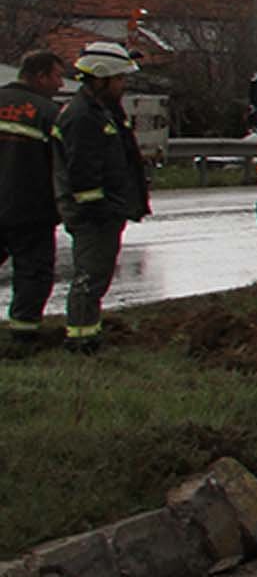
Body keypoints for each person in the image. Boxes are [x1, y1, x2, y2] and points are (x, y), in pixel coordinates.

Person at [53, 42, 151, 353]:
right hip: (93, 214)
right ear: (101, 78)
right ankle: (81, 341)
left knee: (97, 276)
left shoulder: (101, 111)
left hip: (103, 211)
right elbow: (83, 171)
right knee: (90, 277)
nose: (123, 86)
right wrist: (98, 210)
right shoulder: (83, 117)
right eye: (119, 79)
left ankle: (86, 334)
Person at [1, 47, 67, 353]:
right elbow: (62, 165)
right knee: (33, 271)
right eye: (57, 76)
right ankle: (23, 336)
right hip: (30, 209)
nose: (61, 85)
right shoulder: (48, 113)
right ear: (40, 76)